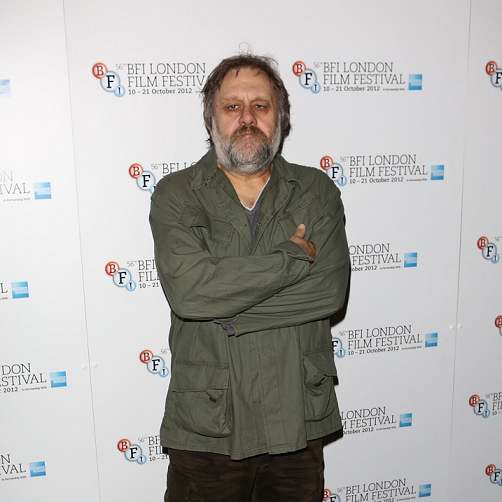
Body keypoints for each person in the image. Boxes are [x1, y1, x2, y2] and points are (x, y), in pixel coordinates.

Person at [149, 54, 350, 502]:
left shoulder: (316, 192)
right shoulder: (177, 195)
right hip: (209, 427)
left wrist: (229, 312)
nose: (247, 118)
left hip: (296, 422)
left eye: (260, 106)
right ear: (211, 119)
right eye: (232, 106)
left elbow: (328, 291)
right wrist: (290, 260)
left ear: (281, 118)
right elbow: (191, 293)